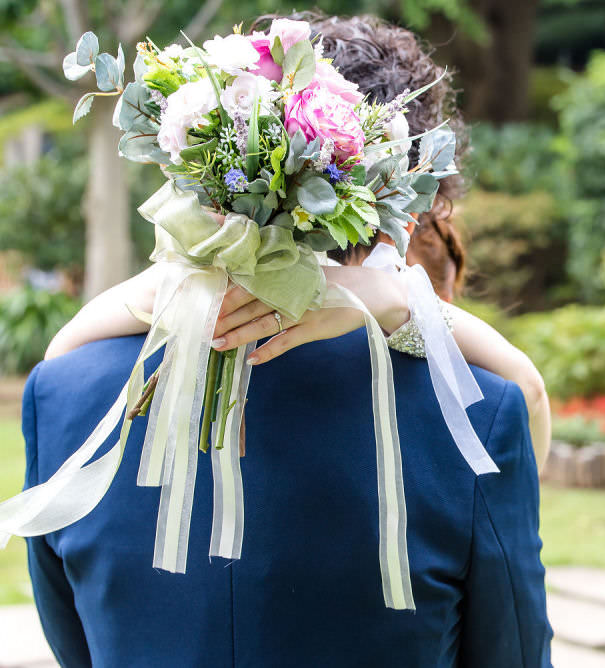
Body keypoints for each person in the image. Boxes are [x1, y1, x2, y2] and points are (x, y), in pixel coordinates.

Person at [25, 14, 552, 667]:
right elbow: (515, 655)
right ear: (404, 202)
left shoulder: (61, 392)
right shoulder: (480, 412)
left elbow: (73, 643)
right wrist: (395, 302)